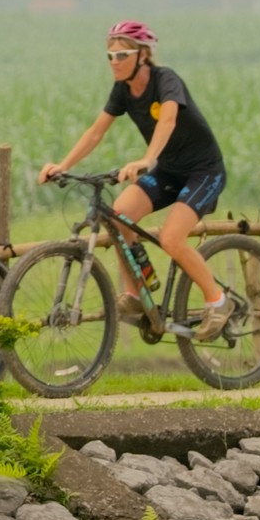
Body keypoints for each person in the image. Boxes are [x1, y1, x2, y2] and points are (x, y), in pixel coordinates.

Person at [41, 20, 233, 341]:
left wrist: (147, 160)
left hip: (203, 170)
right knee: (120, 216)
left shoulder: (165, 80)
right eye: (110, 56)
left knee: (172, 238)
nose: (114, 63)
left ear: (143, 55)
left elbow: (168, 118)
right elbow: (96, 132)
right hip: (170, 171)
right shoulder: (123, 90)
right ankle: (136, 293)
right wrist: (62, 165)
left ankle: (219, 301)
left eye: (122, 55)